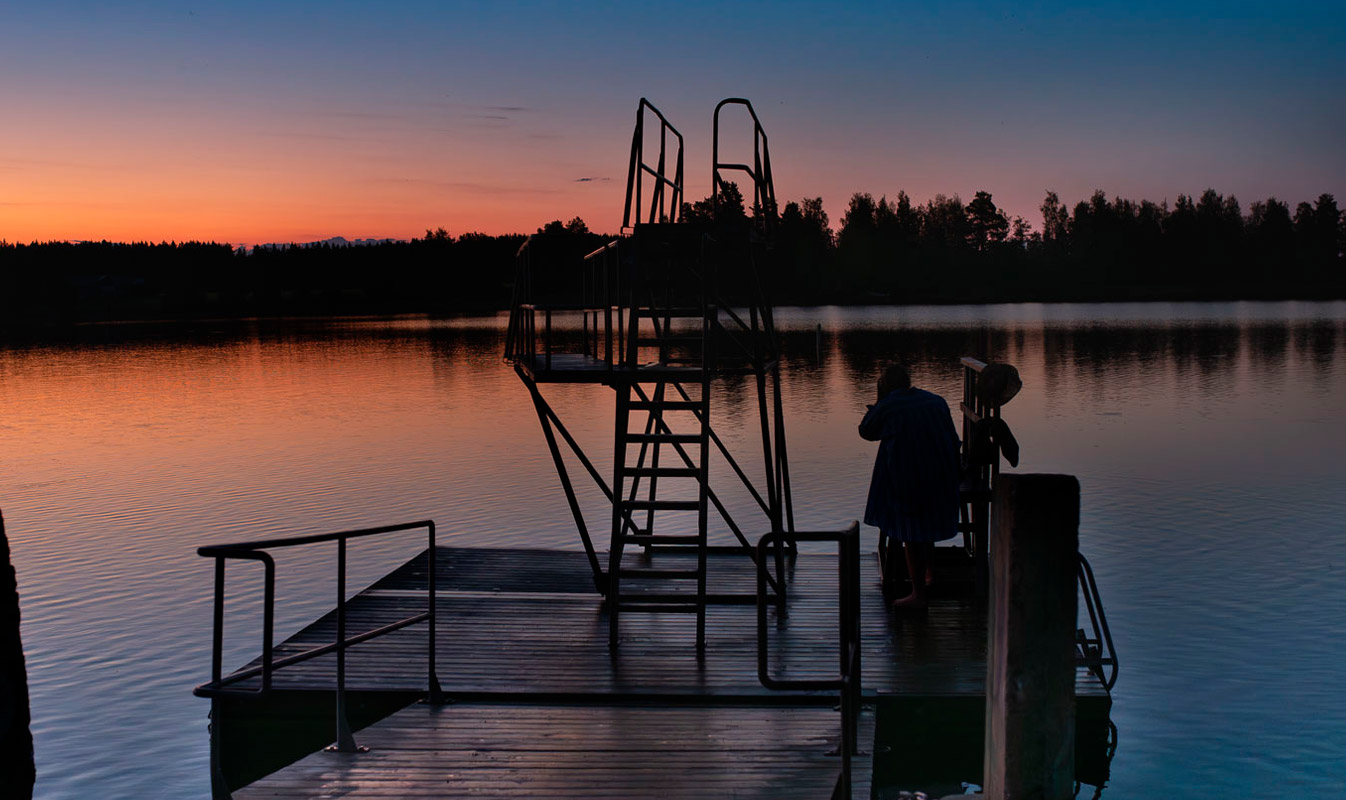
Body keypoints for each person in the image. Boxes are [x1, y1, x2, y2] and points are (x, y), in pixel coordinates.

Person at [859, 364, 961, 609]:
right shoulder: (936, 401)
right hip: (943, 477)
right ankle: (929, 574)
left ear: (885, 386)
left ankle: (918, 594)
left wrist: (879, 401)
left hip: (911, 479)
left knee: (911, 530)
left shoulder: (890, 405)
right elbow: (953, 438)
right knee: (923, 521)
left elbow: (866, 431)